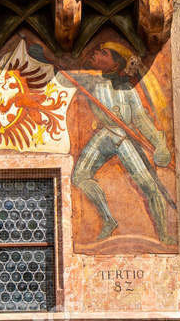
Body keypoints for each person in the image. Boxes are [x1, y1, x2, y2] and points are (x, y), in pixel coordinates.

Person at [69, 44, 174, 244]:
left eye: (103, 53)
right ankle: (109, 220)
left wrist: (159, 145)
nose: (96, 53)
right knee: (79, 176)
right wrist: (48, 61)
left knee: (149, 186)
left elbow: (141, 119)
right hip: (105, 134)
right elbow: (67, 76)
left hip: (123, 136)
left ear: (116, 63)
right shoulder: (92, 82)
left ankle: (163, 236)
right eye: (97, 50)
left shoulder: (127, 89)